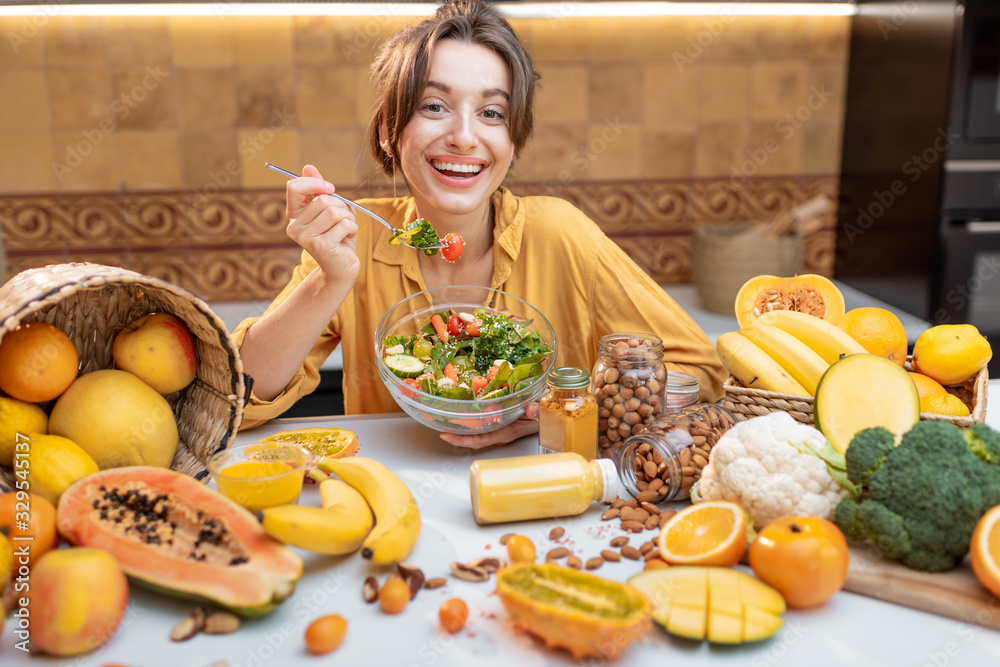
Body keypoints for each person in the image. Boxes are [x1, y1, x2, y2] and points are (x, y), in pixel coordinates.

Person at [234, 0, 726, 448]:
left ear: (513, 143)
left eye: (492, 112)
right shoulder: (357, 241)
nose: (465, 137)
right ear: (388, 132)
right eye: (434, 106)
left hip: (549, 496)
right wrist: (330, 279)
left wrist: (560, 408)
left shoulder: (562, 234)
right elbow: (240, 398)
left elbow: (700, 374)